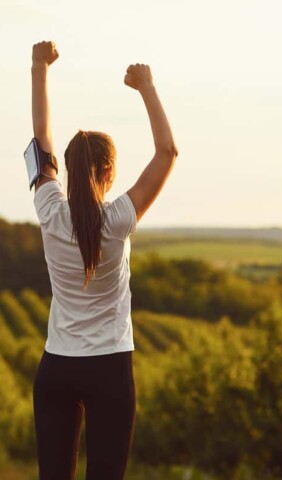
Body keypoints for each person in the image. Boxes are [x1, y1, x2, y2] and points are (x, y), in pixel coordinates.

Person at [30, 41, 178, 480]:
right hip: (110, 367)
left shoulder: (50, 211)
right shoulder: (117, 221)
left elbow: (42, 142)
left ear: (71, 171)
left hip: (55, 366)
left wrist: (39, 68)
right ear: (110, 174)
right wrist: (146, 86)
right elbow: (167, 153)